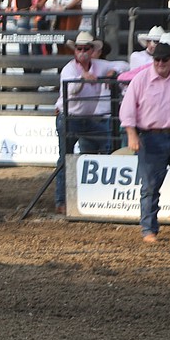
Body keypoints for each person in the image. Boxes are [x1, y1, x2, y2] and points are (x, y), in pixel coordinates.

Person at [119, 41, 170, 243]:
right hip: (150, 137)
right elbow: (128, 110)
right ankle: (148, 229)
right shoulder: (141, 80)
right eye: (157, 59)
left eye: (164, 59)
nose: (160, 63)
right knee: (149, 186)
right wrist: (132, 134)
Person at [54, 31, 115, 214]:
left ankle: (99, 195)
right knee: (65, 157)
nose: (82, 52)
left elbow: (122, 64)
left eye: (85, 49)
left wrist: (114, 72)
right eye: (79, 49)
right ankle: (61, 200)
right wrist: (82, 79)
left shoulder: (99, 65)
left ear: (92, 50)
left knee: (109, 145)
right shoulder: (69, 69)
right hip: (69, 117)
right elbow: (70, 90)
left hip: (87, 118)